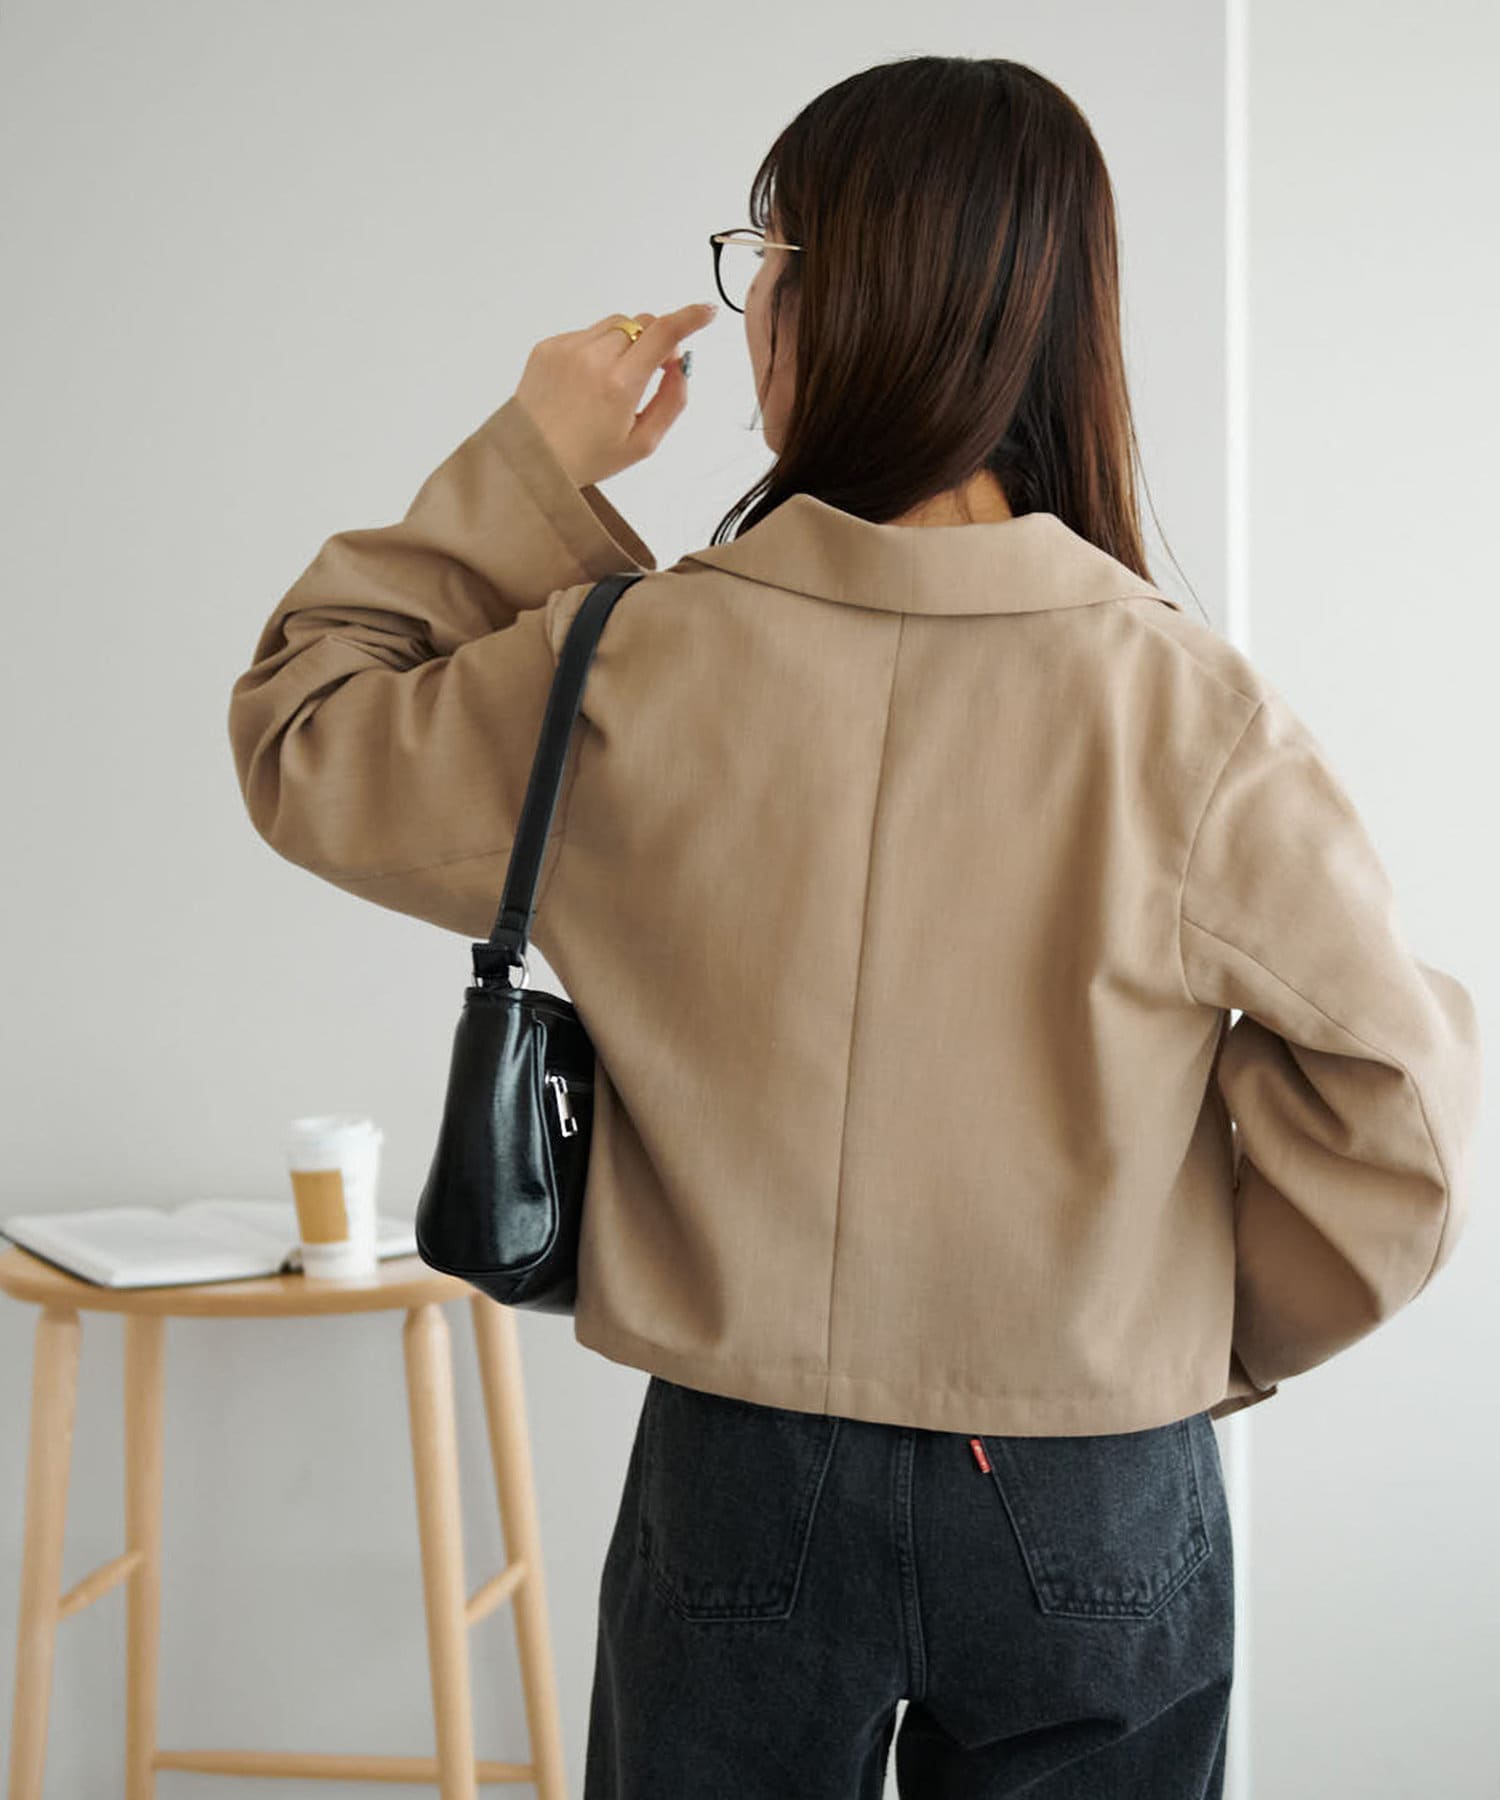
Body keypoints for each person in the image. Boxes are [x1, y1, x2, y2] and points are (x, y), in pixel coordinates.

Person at [227, 53, 1482, 1800]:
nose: (752, 306)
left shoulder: (632, 663)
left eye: (770, 261)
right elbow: (1399, 1117)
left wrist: (530, 461)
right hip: (1095, 1476)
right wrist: (1183, 1326)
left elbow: (306, 730)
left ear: (833, 306)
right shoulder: (1187, 707)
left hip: (740, 1477)